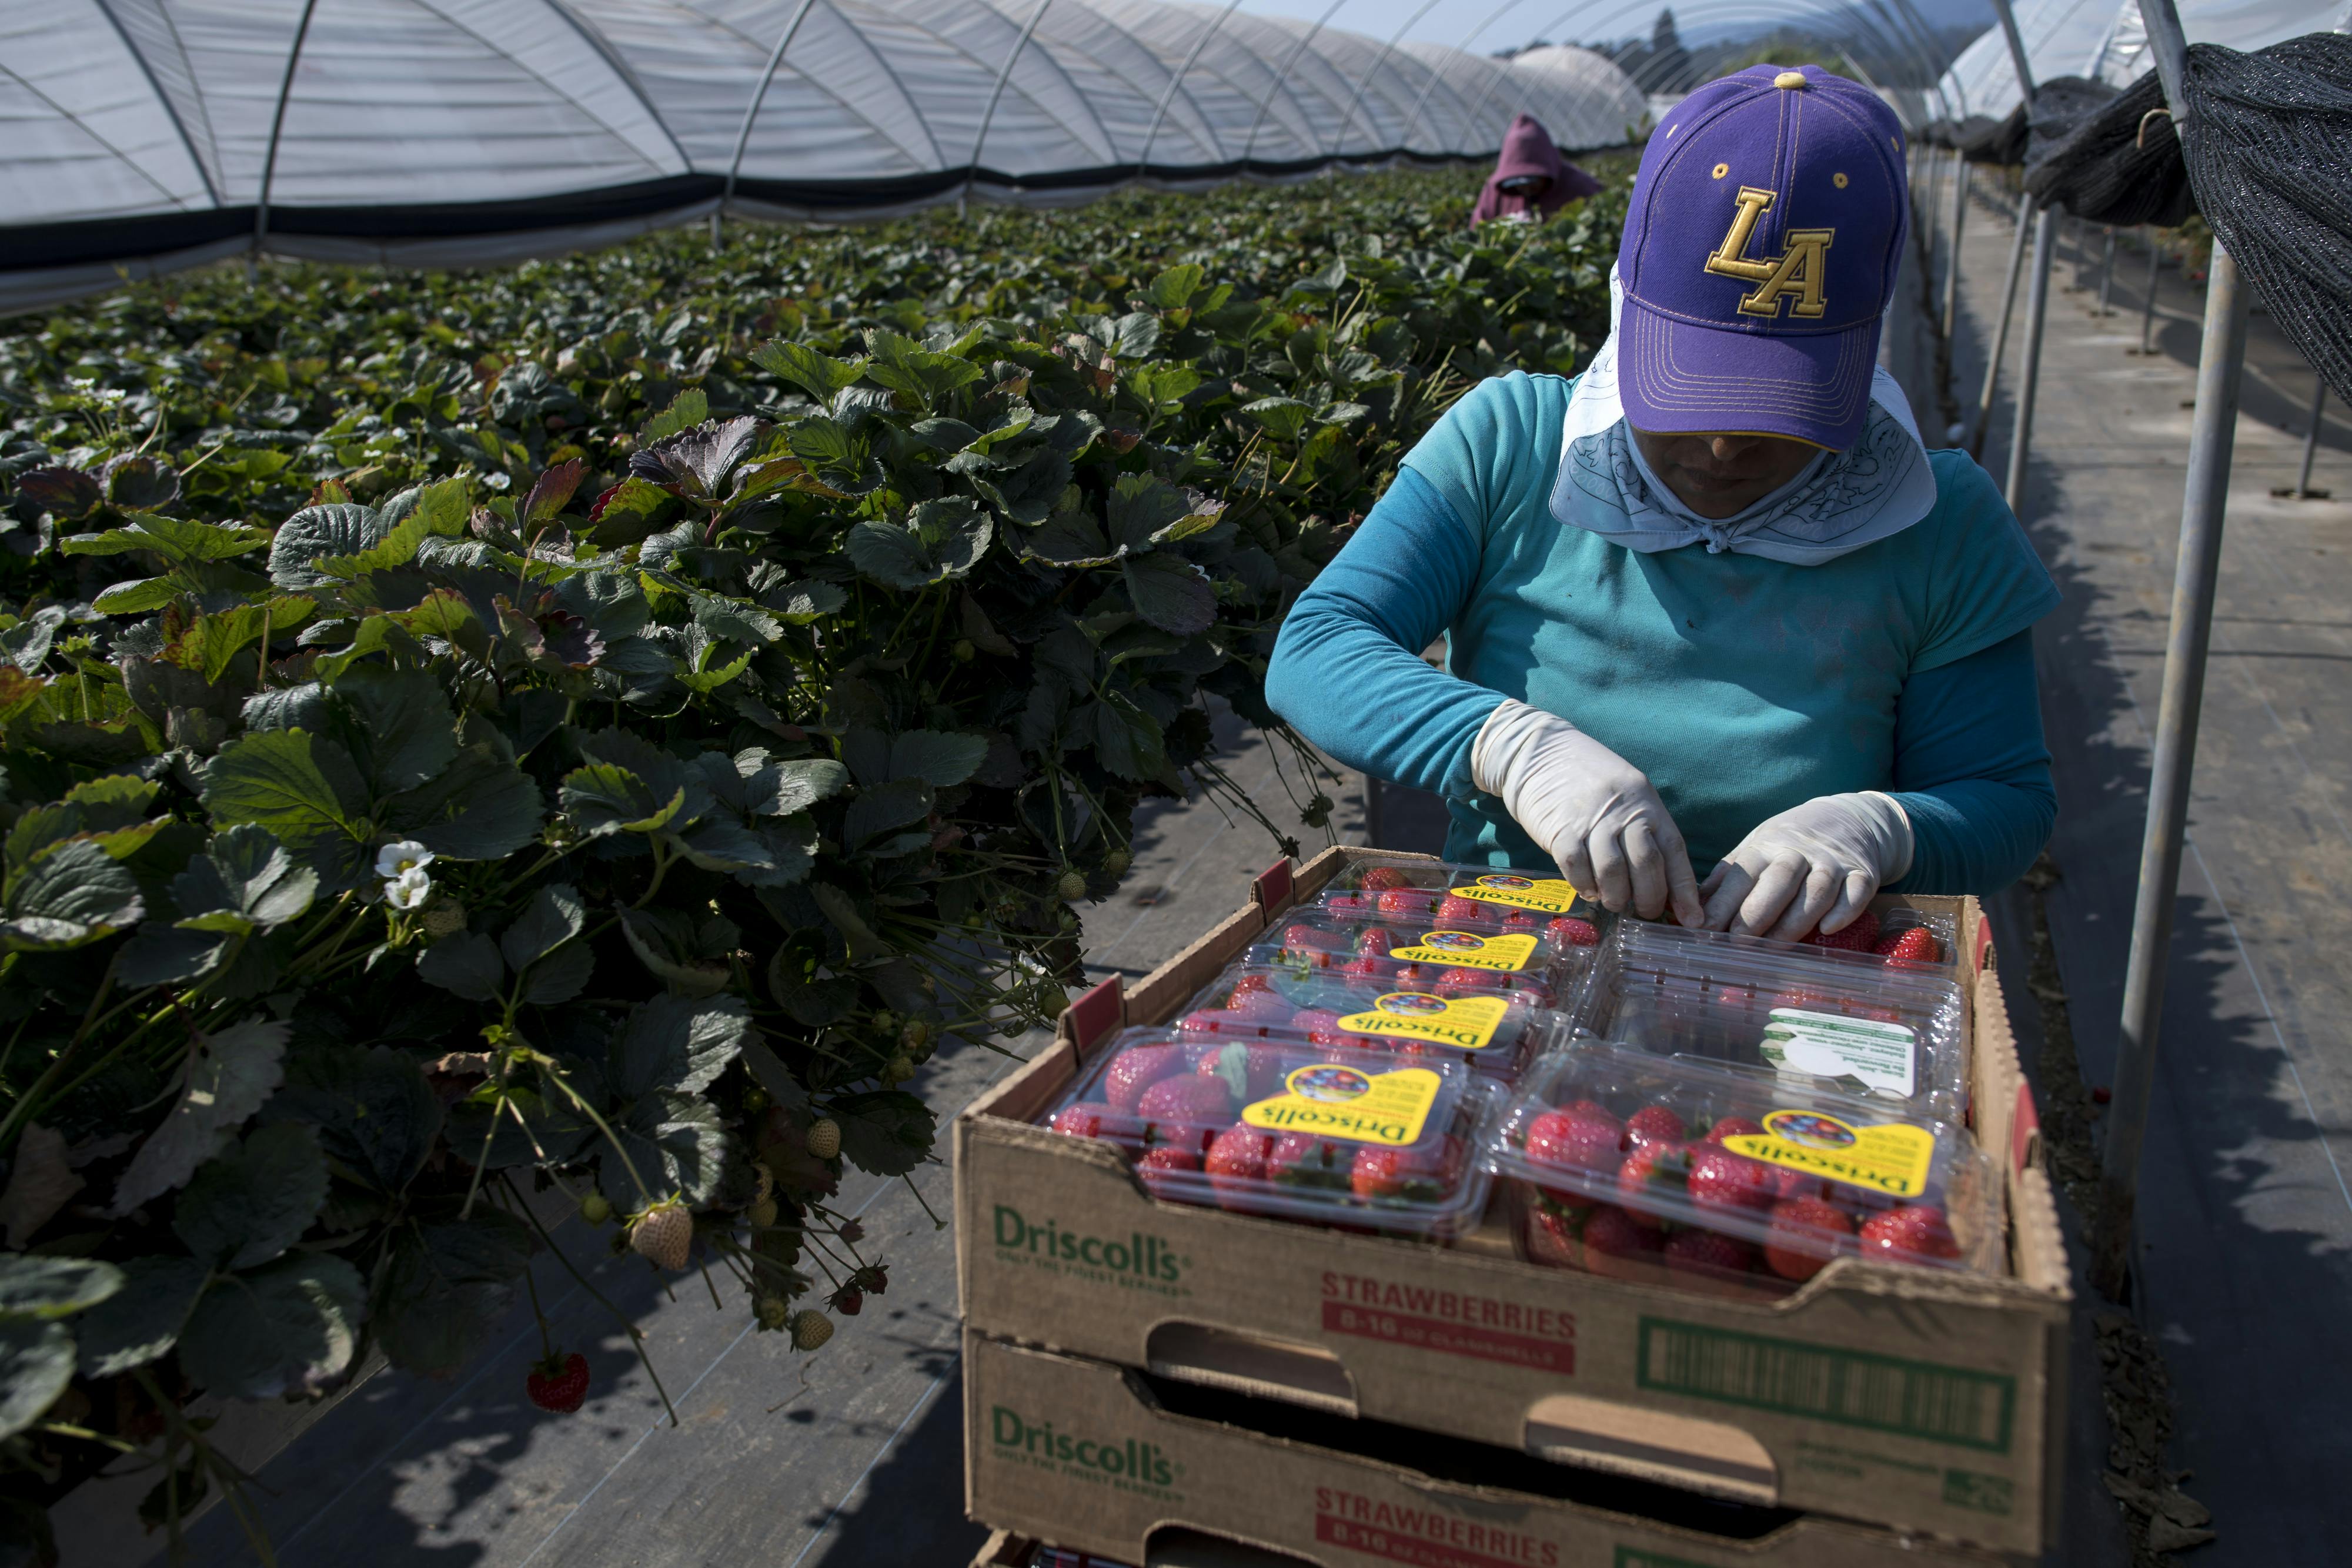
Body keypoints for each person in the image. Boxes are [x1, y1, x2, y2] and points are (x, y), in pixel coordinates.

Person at [1269, 66, 2058, 941]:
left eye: (1782, 410)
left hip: (1799, 967)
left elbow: (2002, 798)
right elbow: (1317, 646)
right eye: (1691, 392)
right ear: (1626, 305)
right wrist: (1513, 747)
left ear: (1863, 352)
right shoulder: (1511, 445)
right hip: (1512, 949)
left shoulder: (1935, 518)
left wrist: (1888, 828)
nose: (1723, 450)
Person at [1473, 114, 1603, 225]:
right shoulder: (1493, 191)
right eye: (1517, 183)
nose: (1526, 189)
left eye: (1532, 181)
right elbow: (1478, 228)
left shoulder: (1578, 186)